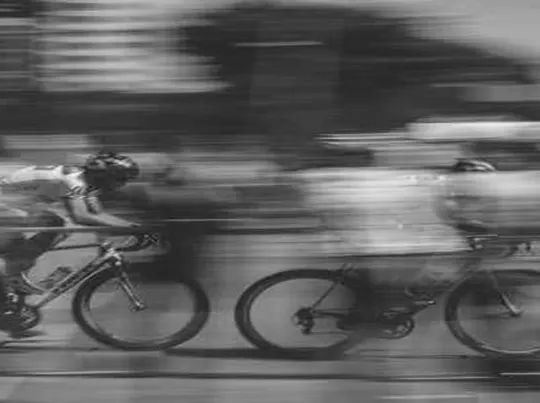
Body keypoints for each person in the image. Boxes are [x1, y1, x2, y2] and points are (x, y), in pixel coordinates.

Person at [0, 150, 140, 337]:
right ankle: (11, 276)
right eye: (120, 179)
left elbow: (97, 214)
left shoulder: (84, 182)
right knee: (54, 228)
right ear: (104, 176)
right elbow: (81, 216)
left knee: (44, 236)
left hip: (13, 204)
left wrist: (128, 231)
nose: (121, 184)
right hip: (8, 205)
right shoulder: (74, 181)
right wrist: (133, 228)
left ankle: (9, 313)